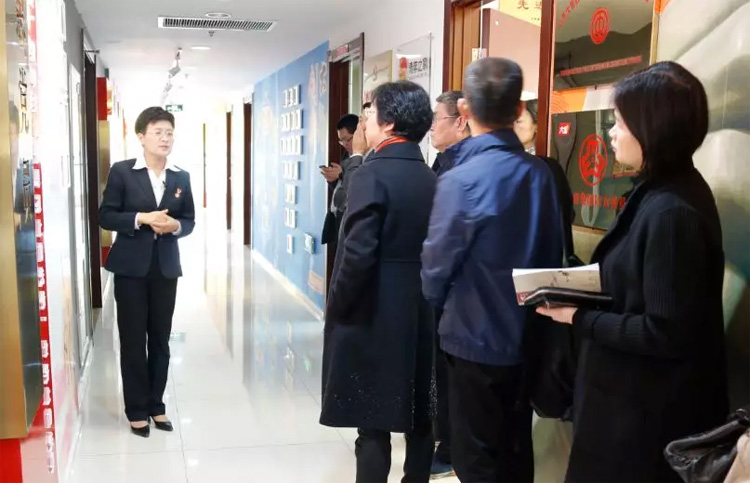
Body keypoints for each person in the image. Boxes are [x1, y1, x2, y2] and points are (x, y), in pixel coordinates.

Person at [538, 61, 729, 482]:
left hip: (644, 424)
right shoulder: (658, 189)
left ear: (653, 129)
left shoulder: (672, 212)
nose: (611, 132)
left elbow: (666, 332)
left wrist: (579, 317)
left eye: (620, 123)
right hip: (628, 408)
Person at [421, 58, 563, 482]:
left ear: (465, 109)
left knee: (475, 458)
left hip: (472, 338)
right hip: (529, 335)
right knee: (516, 450)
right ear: (519, 109)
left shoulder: (461, 179)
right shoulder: (541, 174)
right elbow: (554, 252)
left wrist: (440, 303)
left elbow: (435, 268)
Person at [320, 81, 437, 483]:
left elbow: (357, 254)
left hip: (375, 308)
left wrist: (338, 308)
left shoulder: (370, 175)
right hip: (421, 307)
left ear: (388, 123)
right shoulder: (431, 177)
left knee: (372, 420)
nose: (364, 122)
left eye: (369, 113)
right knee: (420, 411)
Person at [99, 106, 195, 438]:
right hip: (130, 269)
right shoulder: (123, 172)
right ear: (141, 137)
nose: (165, 138)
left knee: (160, 339)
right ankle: (136, 409)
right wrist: (141, 218)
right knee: (132, 339)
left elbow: (189, 220)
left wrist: (175, 226)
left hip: (165, 268)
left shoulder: (181, 177)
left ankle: (156, 404)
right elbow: (106, 216)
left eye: (169, 133)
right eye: (158, 132)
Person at [426, 89, 471, 480]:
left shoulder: (465, 169)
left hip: (459, 292)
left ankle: (452, 448)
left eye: (437, 119)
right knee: (439, 369)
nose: (431, 127)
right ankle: (443, 437)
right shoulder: (441, 163)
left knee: (454, 374)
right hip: (439, 289)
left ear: (461, 122)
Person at [515, 99, 577, 266]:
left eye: (519, 121)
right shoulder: (510, 163)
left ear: (536, 126)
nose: (513, 127)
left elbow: (566, 212)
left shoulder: (548, 167)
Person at [320, 114, 359, 249]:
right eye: (341, 141)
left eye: (347, 139)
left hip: (353, 221)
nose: (345, 144)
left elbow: (358, 186)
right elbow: (342, 188)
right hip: (339, 216)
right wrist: (333, 179)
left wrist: (342, 174)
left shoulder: (368, 157)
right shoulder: (346, 155)